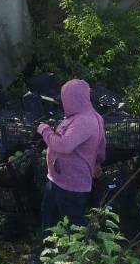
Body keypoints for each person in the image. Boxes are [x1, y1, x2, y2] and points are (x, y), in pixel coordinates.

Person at [37, 79, 106, 233]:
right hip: (57, 179)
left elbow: (64, 145)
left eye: (65, 98)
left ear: (73, 98)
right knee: (49, 217)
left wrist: (45, 131)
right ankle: (43, 252)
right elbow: (100, 146)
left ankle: (77, 256)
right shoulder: (86, 116)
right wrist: (97, 162)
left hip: (71, 184)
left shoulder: (84, 121)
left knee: (72, 226)